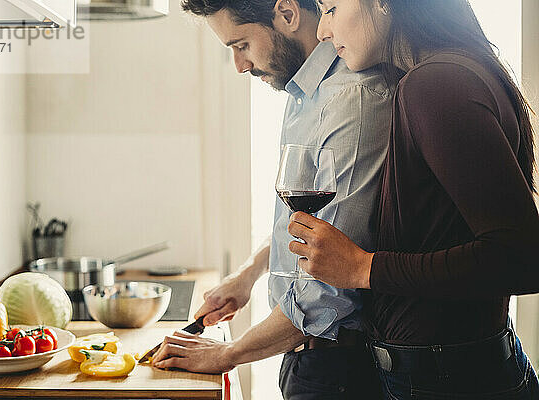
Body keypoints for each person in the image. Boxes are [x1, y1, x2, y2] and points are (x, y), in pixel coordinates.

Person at [288, 0, 539, 398]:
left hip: (447, 381)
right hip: (453, 371)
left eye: (331, 8)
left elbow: (521, 257)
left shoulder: (437, 83)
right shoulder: (452, 72)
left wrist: (363, 269)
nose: (322, 31)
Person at [151, 0, 393, 398]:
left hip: (338, 369)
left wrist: (228, 353)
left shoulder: (352, 99)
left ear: (286, 13)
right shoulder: (305, 94)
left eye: (241, 44)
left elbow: (329, 290)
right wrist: (247, 275)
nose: (240, 65)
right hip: (306, 359)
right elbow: (308, 223)